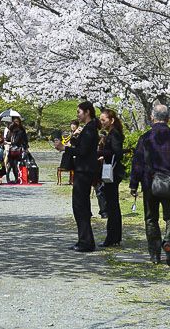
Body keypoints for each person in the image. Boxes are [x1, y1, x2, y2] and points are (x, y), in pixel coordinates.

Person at [129, 104, 170, 266]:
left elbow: (137, 163)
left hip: (150, 183)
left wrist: (133, 184)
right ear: (168, 119)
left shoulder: (145, 138)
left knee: (151, 218)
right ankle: (169, 243)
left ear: (152, 118)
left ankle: (155, 254)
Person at [54, 101, 99, 252]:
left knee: (80, 206)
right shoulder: (87, 129)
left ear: (87, 112)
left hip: (84, 171)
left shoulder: (90, 129)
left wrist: (64, 148)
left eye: (79, 112)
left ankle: (86, 241)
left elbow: (82, 151)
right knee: (80, 206)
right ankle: (84, 239)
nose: (77, 115)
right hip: (83, 170)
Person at [97, 109, 125, 247]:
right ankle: (114, 236)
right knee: (112, 204)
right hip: (112, 171)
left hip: (112, 173)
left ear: (111, 120)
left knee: (112, 205)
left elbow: (117, 153)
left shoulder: (114, 134)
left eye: (104, 120)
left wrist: (102, 153)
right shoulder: (112, 133)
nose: (102, 123)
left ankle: (113, 236)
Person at [6, 116, 29, 184]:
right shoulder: (10, 130)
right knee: (10, 164)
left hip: (19, 149)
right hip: (12, 149)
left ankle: (18, 178)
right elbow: (7, 138)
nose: (16, 123)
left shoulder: (21, 131)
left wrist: (26, 147)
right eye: (15, 122)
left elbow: (21, 140)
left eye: (17, 122)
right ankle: (8, 177)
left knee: (16, 164)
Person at [57, 120, 80, 185]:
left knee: (67, 155)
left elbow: (75, 143)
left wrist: (68, 146)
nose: (72, 126)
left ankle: (67, 168)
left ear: (77, 126)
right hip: (71, 151)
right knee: (65, 154)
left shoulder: (78, 133)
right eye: (71, 125)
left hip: (76, 152)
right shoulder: (71, 133)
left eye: (74, 125)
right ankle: (66, 168)